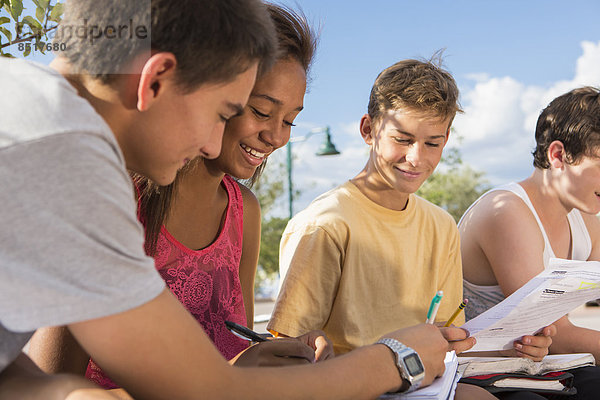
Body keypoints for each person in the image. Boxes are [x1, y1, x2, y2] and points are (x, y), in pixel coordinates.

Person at [0, 1, 474, 399]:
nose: (211, 143)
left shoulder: (32, 112)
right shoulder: (71, 160)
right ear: (155, 79)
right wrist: (395, 358)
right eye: (226, 112)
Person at [27, 4, 333, 391]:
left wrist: (280, 354)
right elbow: (50, 383)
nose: (277, 136)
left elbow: (239, 346)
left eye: (290, 121)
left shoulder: (243, 212)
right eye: (254, 110)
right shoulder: (104, 201)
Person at [266, 57, 555, 399]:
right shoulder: (326, 225)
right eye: (402, 140)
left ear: (446, 140)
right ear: (368, 130)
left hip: (430, 386)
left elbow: (449, 339)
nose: (417, 158)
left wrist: (511, 348)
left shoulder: (442, 225)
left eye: (432, 143)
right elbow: (287, 352)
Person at [459, 86, 600, 399]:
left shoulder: (586, 220)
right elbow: (559, 335)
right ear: (558, 155)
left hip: (534, 367)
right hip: (479, 373)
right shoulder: (507, 211)